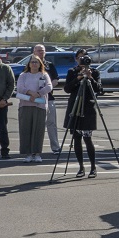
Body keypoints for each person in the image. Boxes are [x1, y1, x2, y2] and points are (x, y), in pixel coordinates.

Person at [63, 49, 103, 178]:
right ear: (76, 59)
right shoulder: (72, 72)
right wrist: (78, 77)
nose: (82, 61)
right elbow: (67, 89)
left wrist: (90, 77)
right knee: (76, 138)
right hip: (74, 108)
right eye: (80, 58)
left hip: (87, 109)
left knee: (87, 138)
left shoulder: (95, 72)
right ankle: (80, 167)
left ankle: (93, 167)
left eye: (85, 58)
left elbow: (99, 89)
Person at [16, 54, 52, 163]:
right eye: (32, 62)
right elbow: (20, 87)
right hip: (25, 105)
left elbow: (49, 87)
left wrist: (38, 94)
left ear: (40, 64)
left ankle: (37, 153)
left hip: (39, 106)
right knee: (26, 130)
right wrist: (30, 93)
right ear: (29, 64)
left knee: (38, 130)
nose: (34, 64)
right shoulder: (23, 75)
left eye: (36, 62)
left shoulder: (44, 75)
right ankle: (28, 154)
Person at [32, 44, 61, 154]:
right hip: (35, 99)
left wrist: (45, 90)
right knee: (36, 124)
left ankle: (55, 147)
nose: (41, 53)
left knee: (51, 123)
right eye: (38, 51)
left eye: (42, 51)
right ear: (34, 52)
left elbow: (55, 80)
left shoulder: (50, 65)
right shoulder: (31, 65)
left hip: (48, 98)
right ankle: (35, 148)